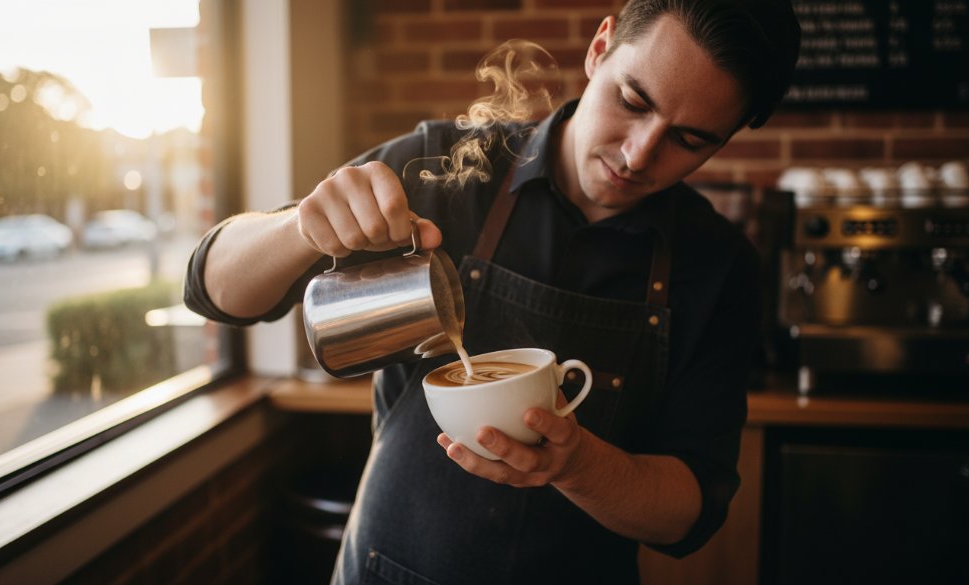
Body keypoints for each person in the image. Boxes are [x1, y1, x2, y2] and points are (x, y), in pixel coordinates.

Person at [185, 0, 800, 582]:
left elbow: (690, 514)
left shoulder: (720, 266)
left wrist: (578, 465)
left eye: (689, 140)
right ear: (599, 48)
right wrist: (300, 229)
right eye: (633, 100)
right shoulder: (444, 165)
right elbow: (212, 289)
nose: (639, 154)